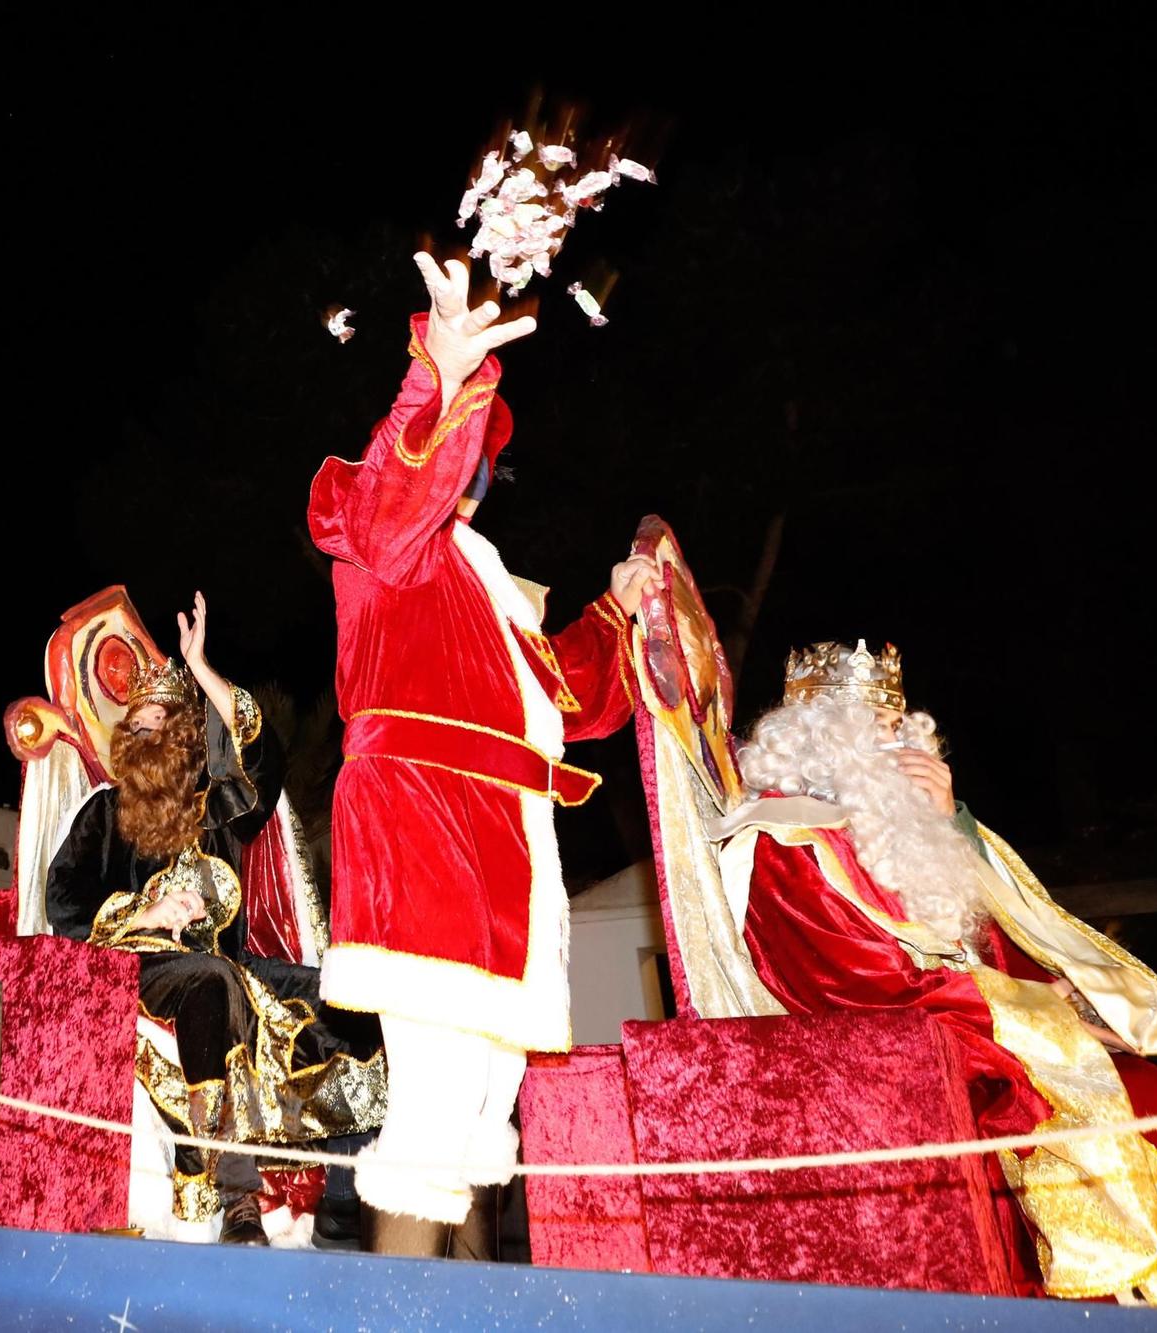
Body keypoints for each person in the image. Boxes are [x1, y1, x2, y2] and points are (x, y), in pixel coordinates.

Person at [720, 638, 1157, 1309]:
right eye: (879, 735)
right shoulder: (783, 844)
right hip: (899, 1077)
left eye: (897, 730)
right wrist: (1043, 1014)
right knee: (1122, 1114)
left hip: (965, 1039)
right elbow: (859, 988)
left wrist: (950, 823)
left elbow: (982, 940)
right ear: (825, 744)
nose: (898, 751)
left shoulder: (883, 827)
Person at [307, 252, 655, 1249]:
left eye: (478, 447)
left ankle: (468, 1306)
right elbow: (390, 501)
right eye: (458, 438)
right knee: (436, 1100)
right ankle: (394, 1318)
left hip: (508, 846)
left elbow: (567, 699)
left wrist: (615, 614)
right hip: (422, 827)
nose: (469, 463)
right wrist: (438, 378)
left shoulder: (489, 573)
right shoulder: (364, 520)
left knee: (487, 1101)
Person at [46, 594, 385, 1244]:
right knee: (211, 979)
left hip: (230, 970)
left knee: (349, 994)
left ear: (184, 737)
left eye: (162, 725)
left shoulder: (216, 811)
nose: (148, 735)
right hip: (140, 968)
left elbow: (267, 762)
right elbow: (63, 903)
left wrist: (201, 668)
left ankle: (343, 1190)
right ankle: (236, 1198)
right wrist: (146, 908)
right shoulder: (102, 816)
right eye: (135, 727)